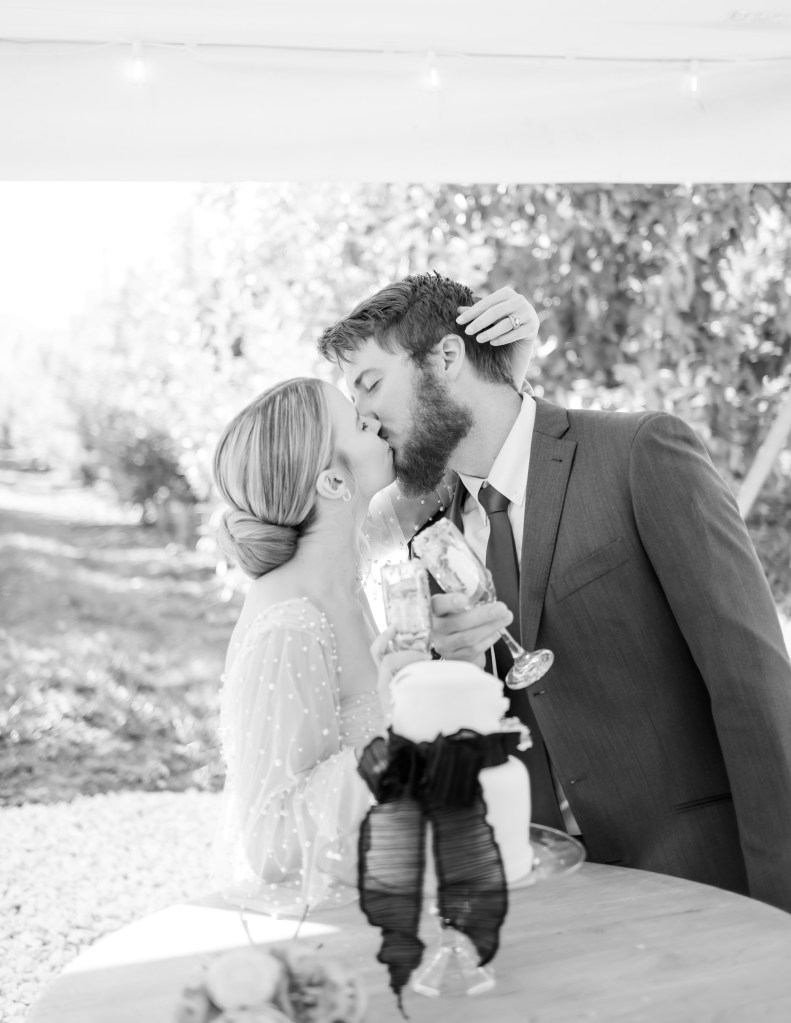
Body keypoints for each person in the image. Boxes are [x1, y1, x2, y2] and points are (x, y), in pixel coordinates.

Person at [317, 270, 791, 914]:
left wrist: (779, 904)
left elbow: (752, 683)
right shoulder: (433, 542)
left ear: (447, 357)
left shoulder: (637, 453)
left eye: (370, 383)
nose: (365, 416)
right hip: (537, 895)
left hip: (696, 877)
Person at [210, 289, 537, 911]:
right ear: (334, 481)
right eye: (359, 421)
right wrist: (403, 730)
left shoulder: (350, 553)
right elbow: (271, 842)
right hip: (338, 917)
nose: (375, 417)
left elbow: (457, 448)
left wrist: (498, 370)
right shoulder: (291, 624)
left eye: (367, 396)